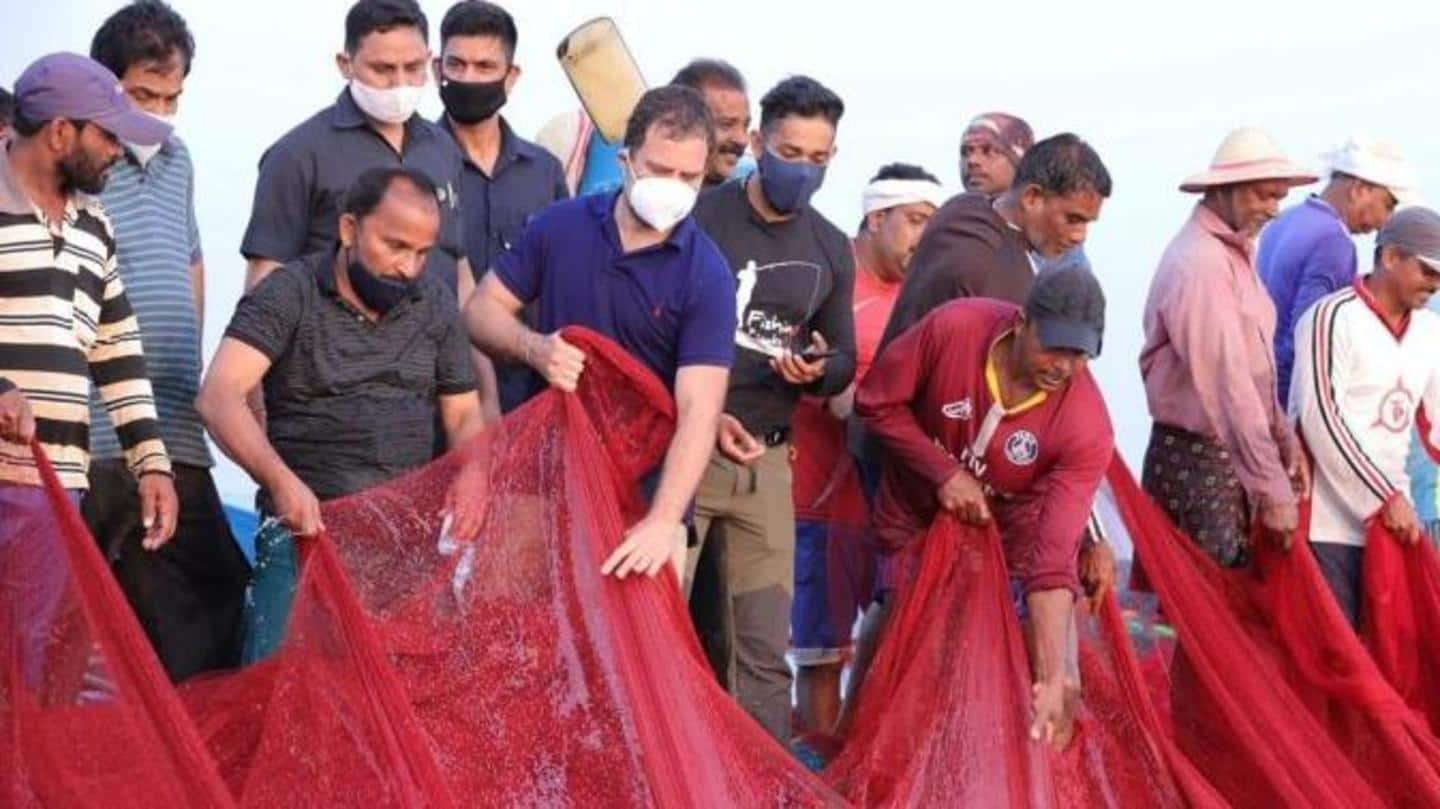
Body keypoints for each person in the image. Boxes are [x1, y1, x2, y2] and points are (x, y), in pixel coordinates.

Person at [198, 167, 485, 662]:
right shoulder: (290, 292)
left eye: (422, 253)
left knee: (396, 698)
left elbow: (462, 414)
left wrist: (473, 474)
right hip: (304, 532)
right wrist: (281, 482)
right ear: (349, 230)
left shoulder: (435, 301)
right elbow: (219, 394)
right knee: (277, 691)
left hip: (402, 542)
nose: (409, 268)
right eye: (395, 246)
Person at [464, 85, 735, 582]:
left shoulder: (708, 275)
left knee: (630, 658)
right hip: (538, 484)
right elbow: (481, 311)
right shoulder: (559, 226)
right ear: (627, 161)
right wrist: (535, 348)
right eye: (659, 170)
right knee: (516, 637)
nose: (673, 185)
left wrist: (663, 520)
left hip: (641, 502)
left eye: (689, 176)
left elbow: (700, 410)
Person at [855, 267, 1114, 750]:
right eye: (1054, 346)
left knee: (1040, 674)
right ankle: (860, 744)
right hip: (915, 510)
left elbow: (1053, 565)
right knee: (904, 635)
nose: (1062, 366)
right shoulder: (954, 329)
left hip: (1010, 532)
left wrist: (1054, 673)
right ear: (1021, 323)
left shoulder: (1086, 425)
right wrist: (942, 473)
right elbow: (875, 403)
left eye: (1079, 354)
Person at [80, 0, 251, 682]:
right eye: (141, 95)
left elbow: (191, 260)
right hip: (91, 433)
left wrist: (194, 360)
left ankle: (187, 756)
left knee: (209, 588)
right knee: (67, 613)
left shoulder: (177, 161)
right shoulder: (79, 162)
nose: (157, 112)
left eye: (171, 96)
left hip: (174, 424)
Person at [684, 74, 857, 743]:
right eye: (790, 153)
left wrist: (814, 369)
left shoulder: (828, 246)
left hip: (768, 462)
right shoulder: (703, 218)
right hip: (686, 453)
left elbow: (844, 356)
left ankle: (758, 776)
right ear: (758, 141)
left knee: (762, 644)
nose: (803, 171)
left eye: (818, 159)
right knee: (665, 624)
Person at [1, 52, 180, 672]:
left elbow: (117, 348)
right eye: (107, 134)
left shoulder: (95, 226)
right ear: (59, 133)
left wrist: (151, 462)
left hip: (56, 486)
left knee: (21, 666)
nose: (119, 151)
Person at [789, 162, 944, 739]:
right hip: (818, 495)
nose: (925, 238)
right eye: (916, 221)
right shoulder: (829, 275)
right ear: (878, 216)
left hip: (887, 506)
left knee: (890, 644)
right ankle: (814, 774)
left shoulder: (922, 295)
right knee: (819, 653)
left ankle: (853, 772)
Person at [1140, 127, 1316, 567]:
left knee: (1228, 603)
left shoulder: (1235, 255)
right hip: (1197, 458)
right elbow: (1227, 383)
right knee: (1211, 607)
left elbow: (1253, 369)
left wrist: (1280, 432)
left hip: (1230, 454)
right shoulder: (1200, 264)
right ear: (1226, 191)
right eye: (1263, 196)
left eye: (1279, 197)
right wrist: (1271, 487)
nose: (1273, 209)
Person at [240, 0, 469, 297]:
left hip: (434, 339)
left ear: (428, 60)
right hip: (336, 339)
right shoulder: (298, 155)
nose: (399, 83)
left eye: (412, 68)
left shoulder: (443, 148)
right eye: (382, 69)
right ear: (345, 64)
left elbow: (457, 262)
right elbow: (265, 283)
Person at [1290, 206, 1440, 628]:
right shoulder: (1331, 317)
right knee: (1336, 658)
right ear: (1390, 257)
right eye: (1427, 271)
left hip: (1397, 527)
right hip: (1329, 524)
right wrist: (1382, 497)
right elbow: (1320, 420)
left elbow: (1435, 425)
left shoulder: (1430, 332)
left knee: (1396, 663)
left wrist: (1394, 501)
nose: (1435, 284)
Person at [433, 0, 566, 416]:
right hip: (437, 400)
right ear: (438, 68)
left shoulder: (544, 171)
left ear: (511, 77)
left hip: (532, 393)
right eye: (457, 65)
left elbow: (564, 275)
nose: (469, 78)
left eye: (485, 67)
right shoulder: (412, 166)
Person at [881, 133, 1111, 346]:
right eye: (1073, 219)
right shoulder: (992, 268)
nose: (1079, 236)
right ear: (1032, 198)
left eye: (1086, 223)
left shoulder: (963, 207)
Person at [1260, 136, 1419, 402]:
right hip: (1288, 404)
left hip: (1259, 388)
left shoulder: (1284, 220)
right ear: (1359, 189)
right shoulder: (1335, 242)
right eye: (1388, 205)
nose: (1386, 222)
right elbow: (1310, 340)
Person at [670, 58, 751, 188]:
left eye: (745, 126)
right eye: (726, 124)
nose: (742, 140)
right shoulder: (633, 190)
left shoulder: (747, 192)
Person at [959, 111, 1034, 197]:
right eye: (965, 152)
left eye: (987, 151)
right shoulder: (951, 209)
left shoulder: (1048, 209)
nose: (972, 161)